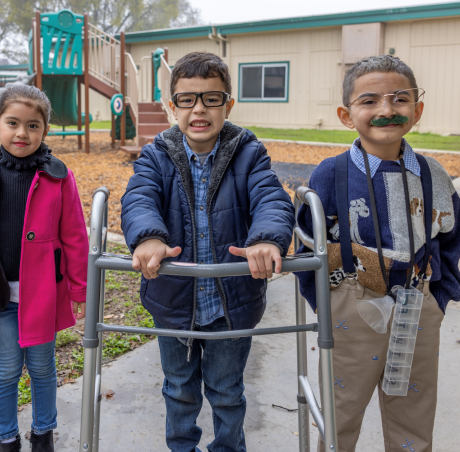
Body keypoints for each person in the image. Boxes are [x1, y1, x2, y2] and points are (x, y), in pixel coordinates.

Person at [121, 52, 295, 452]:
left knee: (227, 391)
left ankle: (229, 448)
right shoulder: (156, 155)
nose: (199, 109)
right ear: (171, 106)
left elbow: (270, 197)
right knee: (179, 390)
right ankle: (182, 448)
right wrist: (148, 236)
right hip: (174, 301)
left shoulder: (248, 152)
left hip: (230, 303)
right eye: (187, 99)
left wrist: (266, 238)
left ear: (228, 104)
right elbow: (140, 197)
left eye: (211, 98)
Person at [295, 55, 460, 452]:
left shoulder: (432, 173)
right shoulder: (330, 174)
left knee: (414, 416)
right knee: (341, 413)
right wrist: (324, 305)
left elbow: (452, 239)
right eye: (369, 101)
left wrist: (439, 297)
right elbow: (304, 244)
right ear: (346, 114)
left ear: (417, 110)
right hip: (350, 307)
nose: (386, 110)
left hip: (418, 306)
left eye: (399, 99)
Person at [0, 85, 89, 452]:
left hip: (42, 295)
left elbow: (75, 235)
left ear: (45, 130)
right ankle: (6, 438)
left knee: (43, 368)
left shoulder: (59, 176)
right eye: (13, 123)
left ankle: (43, 434)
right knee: (4, 371)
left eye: (33, 126)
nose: (22, 133)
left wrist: (78, 289)